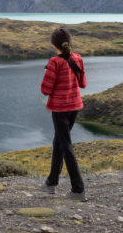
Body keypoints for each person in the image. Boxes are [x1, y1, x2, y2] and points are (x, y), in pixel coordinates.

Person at [39, 26, 87, 201]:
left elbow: (45, 89)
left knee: (65, 145)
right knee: (59, 142)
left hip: (60, 109)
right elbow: (83, 84)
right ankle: (51, 183)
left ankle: (78, 189)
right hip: (74, 107)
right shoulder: (78, 58)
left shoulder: (54, 62)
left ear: (54, 45)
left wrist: (47, 74)